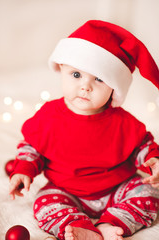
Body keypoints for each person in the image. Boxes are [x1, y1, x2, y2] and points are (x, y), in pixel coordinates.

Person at [9, 20, 159, 240]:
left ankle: (114, 222)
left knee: (149, 195)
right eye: (76, 75)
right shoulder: (49, 116)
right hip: (66, 190)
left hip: (117, 187)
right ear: (62, 69)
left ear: (114, 88)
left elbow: (143, 146)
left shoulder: (123, 122)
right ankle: (79, 226)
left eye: (99, 79)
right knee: (44, 202)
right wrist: (23, 169)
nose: (85, 86)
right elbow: (31, 147)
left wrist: (154, 162)